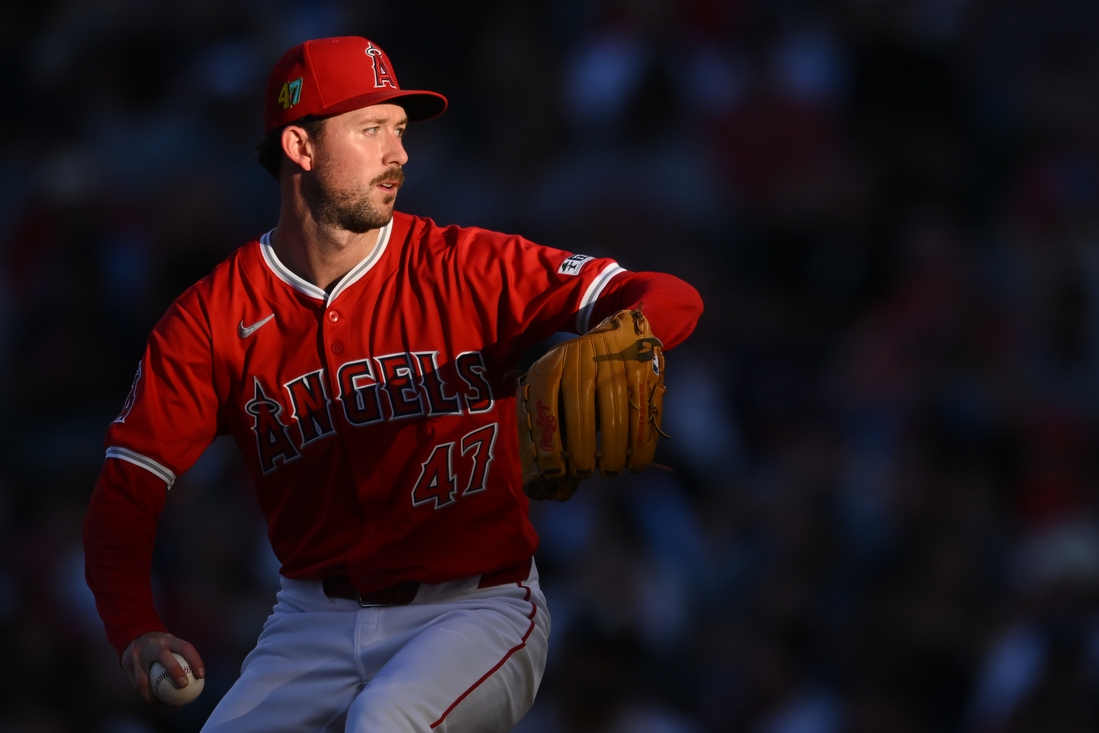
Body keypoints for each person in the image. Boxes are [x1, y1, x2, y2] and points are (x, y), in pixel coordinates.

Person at [83, 36, 703, 732]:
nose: (398, 153)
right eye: (370, 128)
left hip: (476, 605)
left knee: (384, 720)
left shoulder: (464, 265)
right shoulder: (211, 317)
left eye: (399, 130)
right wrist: (134, 623)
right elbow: (128, 487)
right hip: (310, 615)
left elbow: (664, 292)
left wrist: (629, 332)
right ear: (299, 146)